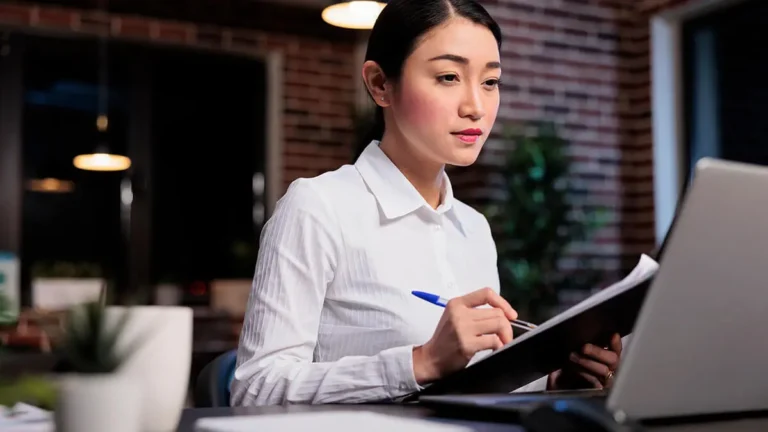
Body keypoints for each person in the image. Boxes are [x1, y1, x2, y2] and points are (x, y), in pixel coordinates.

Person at [230, 0, 621, 406]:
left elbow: (473, 384)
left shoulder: (473, 228)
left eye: (490, 82)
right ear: (381, 84)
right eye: (449, 76)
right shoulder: (318, 207)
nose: (475, 107)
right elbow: (256, 388)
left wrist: (556, 382)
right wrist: (421, 362)